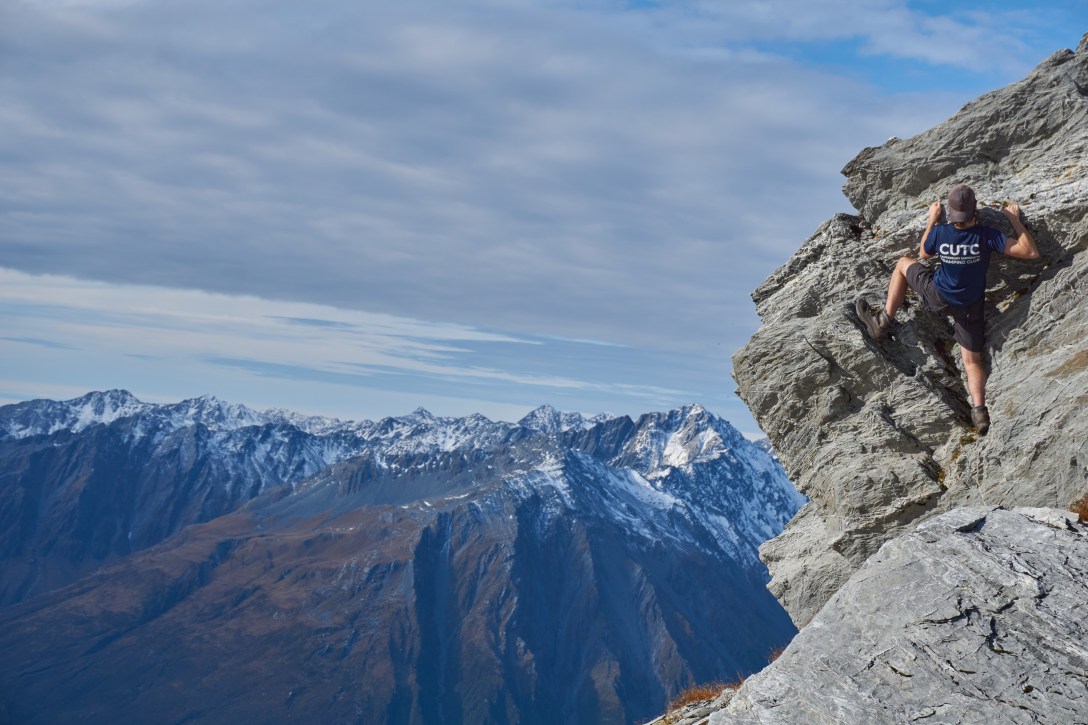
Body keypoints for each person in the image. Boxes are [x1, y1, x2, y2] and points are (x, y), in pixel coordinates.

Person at [855, 184, 1039, 435]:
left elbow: (923, 253)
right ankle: (980, 411)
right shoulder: (987, 235)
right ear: (975, 211)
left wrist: (932, 220)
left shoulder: (941, 232)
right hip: (969, 306)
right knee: (972, 360)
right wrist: (1014, 220)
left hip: (937, 295)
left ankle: (884, 321)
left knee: (902, 263)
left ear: (951, 213)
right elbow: (1029, 251)